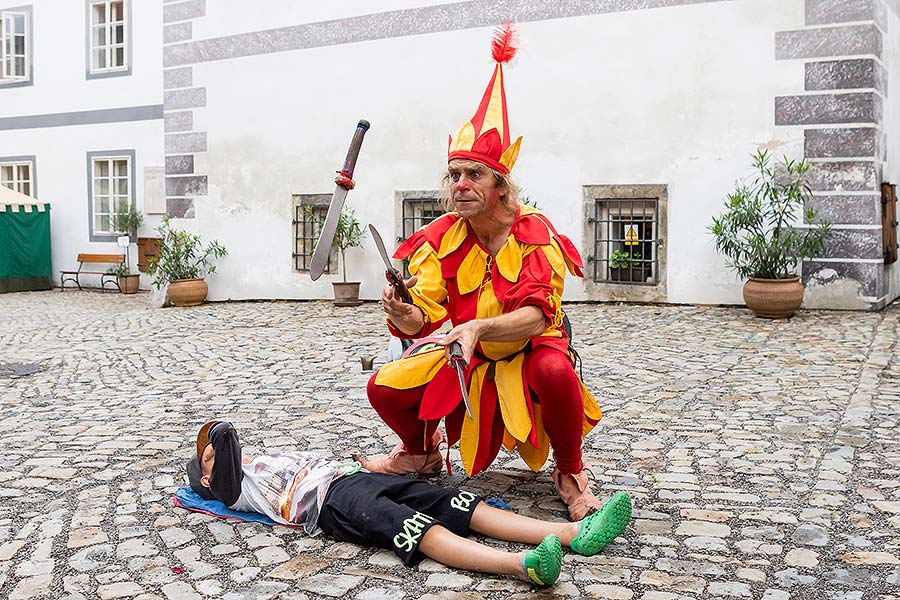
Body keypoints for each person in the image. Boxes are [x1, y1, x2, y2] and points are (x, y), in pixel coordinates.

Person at [356, 23, 606, 521]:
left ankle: (570, 470)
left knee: (555, 369)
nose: (461, 184)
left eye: (474, 175)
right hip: (463, 355)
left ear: (500, 186)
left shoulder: (533, 231)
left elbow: (538, 317)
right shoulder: (440, 238)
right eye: (455, 175)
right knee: (381, 385)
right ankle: (420, 452)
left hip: (529, 349)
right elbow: (423, 320)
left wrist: (477, 327)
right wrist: (403, 313)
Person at [185, 420, 633, 586]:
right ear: (209, 477)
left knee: (453, 502)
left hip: (354, 478)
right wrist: (210, 451)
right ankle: (522, 565)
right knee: (415, 528)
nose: (220, 455)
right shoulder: (233, 488)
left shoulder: (260, 461)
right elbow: (223, 439)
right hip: (333, 504)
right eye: (209, 461)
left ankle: (574, 533)